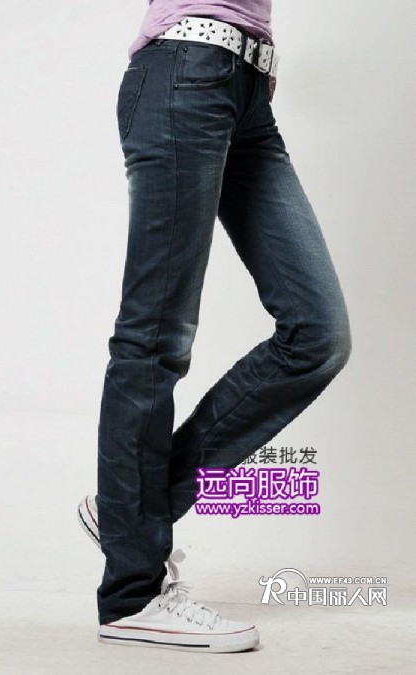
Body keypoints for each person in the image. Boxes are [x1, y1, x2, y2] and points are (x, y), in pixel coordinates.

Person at [77, 2, 352, 654]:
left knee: (318, 333)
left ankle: (127, 512)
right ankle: (132, 594)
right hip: (187, 74)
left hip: (245, 92)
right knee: (155, 337)